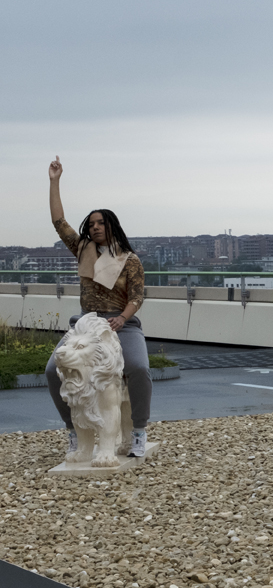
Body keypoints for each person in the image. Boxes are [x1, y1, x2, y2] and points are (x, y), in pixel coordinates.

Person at [44, 156, 152, 457]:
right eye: (90, 224)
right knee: (53, 370)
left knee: (139, 368)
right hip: (86, 323)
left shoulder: (130, 260)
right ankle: (73, 432)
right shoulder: (83, 250)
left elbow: (137, 297)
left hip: (121, 324)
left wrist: (122, 318)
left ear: (111, 225)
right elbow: (59, 222)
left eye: (100, 222)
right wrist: (55, 182)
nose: (94, 227)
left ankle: (139, 431)